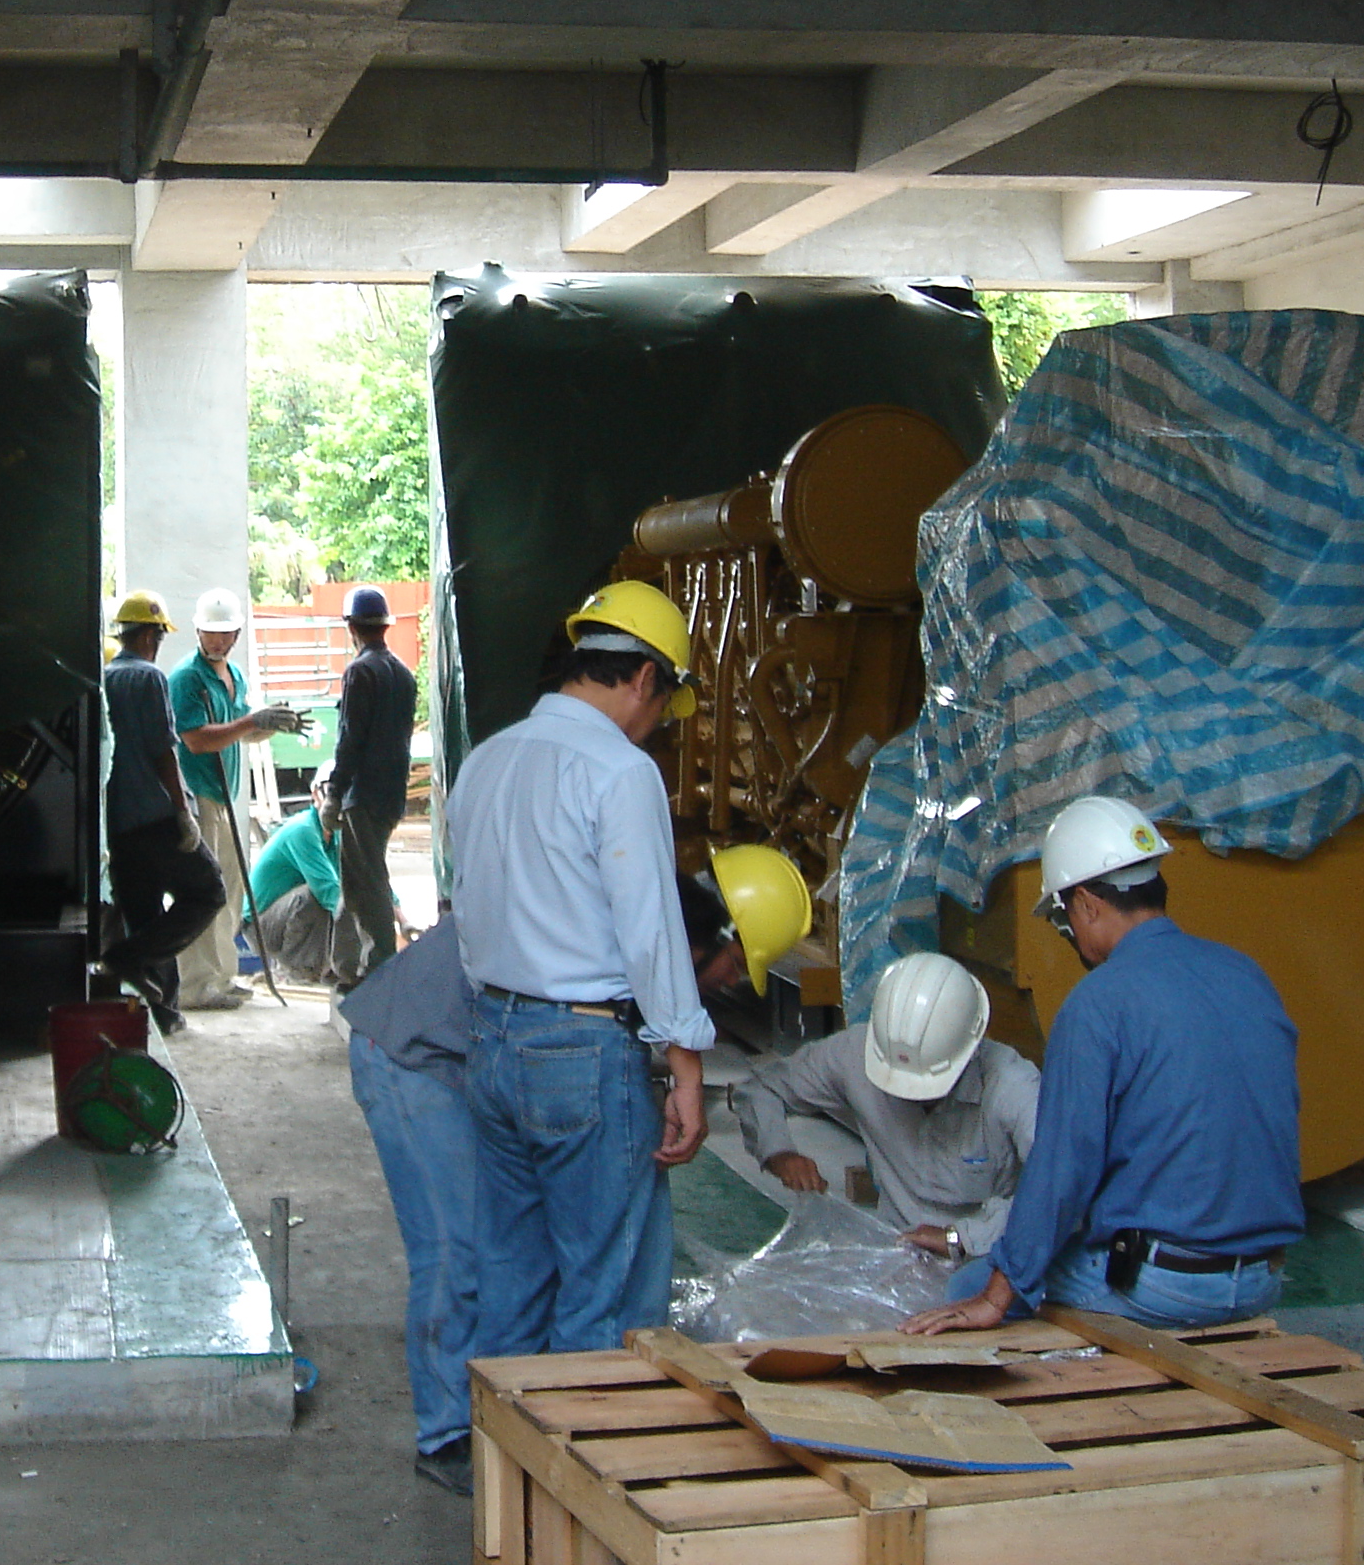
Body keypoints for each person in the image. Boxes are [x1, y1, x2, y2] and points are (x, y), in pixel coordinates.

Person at [346, 879, 753, 1499]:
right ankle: (446, 1432)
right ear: (697, 945)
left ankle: (515, 1416)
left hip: (473, 1058)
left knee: (511, 1252)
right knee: (456, 1252)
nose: (733, 985)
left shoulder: (611, 927)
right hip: (411, 1056)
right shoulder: (616, 936)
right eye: (734, 967)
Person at [904, 794, 1304, 1335]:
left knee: (966, 1287)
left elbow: (1061, 1168)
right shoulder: (1246, 974)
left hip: (1167, 1288)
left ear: (1088, 904)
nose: (1069, 932)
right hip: (1262, 1277)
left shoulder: (1098, 1003)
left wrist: (998, 1294)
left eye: (1064, 915)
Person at [451, 579, 716, 1357]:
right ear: (643, 679)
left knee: (514, 1283)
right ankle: (589, 1472)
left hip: (493, 1042)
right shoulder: (619, 771)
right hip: (581, 1055)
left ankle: (506, 1476)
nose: (658, 725)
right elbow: (652, 933)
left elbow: (464, 908)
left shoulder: (490, 758)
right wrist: (686, 1067)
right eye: (664, 705)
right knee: (608, 1301)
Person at [733, 953, 1039, 1266]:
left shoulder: (1013, 1086)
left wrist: (963, 1237)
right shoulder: (855, 1053)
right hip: (895, 1250)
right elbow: (761, 1088)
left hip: (992, 1256)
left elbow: (1065, 1188)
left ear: (971, 1047)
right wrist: (778, 1153)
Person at [168, 587, 307, 1011]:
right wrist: (251, 719)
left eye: (225, 634)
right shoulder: (187, 679)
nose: (217, 641)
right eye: (210, 633)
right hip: (202, 798)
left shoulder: (234, 676)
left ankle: (222, 977)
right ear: (196, 630)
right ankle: (194, 985)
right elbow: (194, 739)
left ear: (237, 635)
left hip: (229, 799)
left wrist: (270, 725)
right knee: (202, 893)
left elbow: (241, 730)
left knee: (229, 894)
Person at [99, 590, 227, 1035]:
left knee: (147, 916)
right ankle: (125, 958)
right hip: (156, 815)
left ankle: (164, 1012)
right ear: (151, 635)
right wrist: (182, 810)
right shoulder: (150, 678)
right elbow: (162, 752)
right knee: (208, 892)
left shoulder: (103, 679)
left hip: (118, 823)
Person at [321, 584, 417, 988]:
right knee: (360, 878)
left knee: (368, 882)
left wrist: (334, 793)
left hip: (364, 793)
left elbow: (351, 740)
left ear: (351, 626)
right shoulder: (403, 674)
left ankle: (378, 968)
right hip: (391, 791)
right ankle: (350, 964)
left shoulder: (360, 672)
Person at [247, 782, 343, 986]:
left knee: (346, 897)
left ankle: (323, 967)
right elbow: (328, 892)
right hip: (260, 926)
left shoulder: (338, 834)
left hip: (283, 917)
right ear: (316, 795)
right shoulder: (303, 830)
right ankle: (296, 970)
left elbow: (368, 877)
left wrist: (400, 919)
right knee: (316, 896)